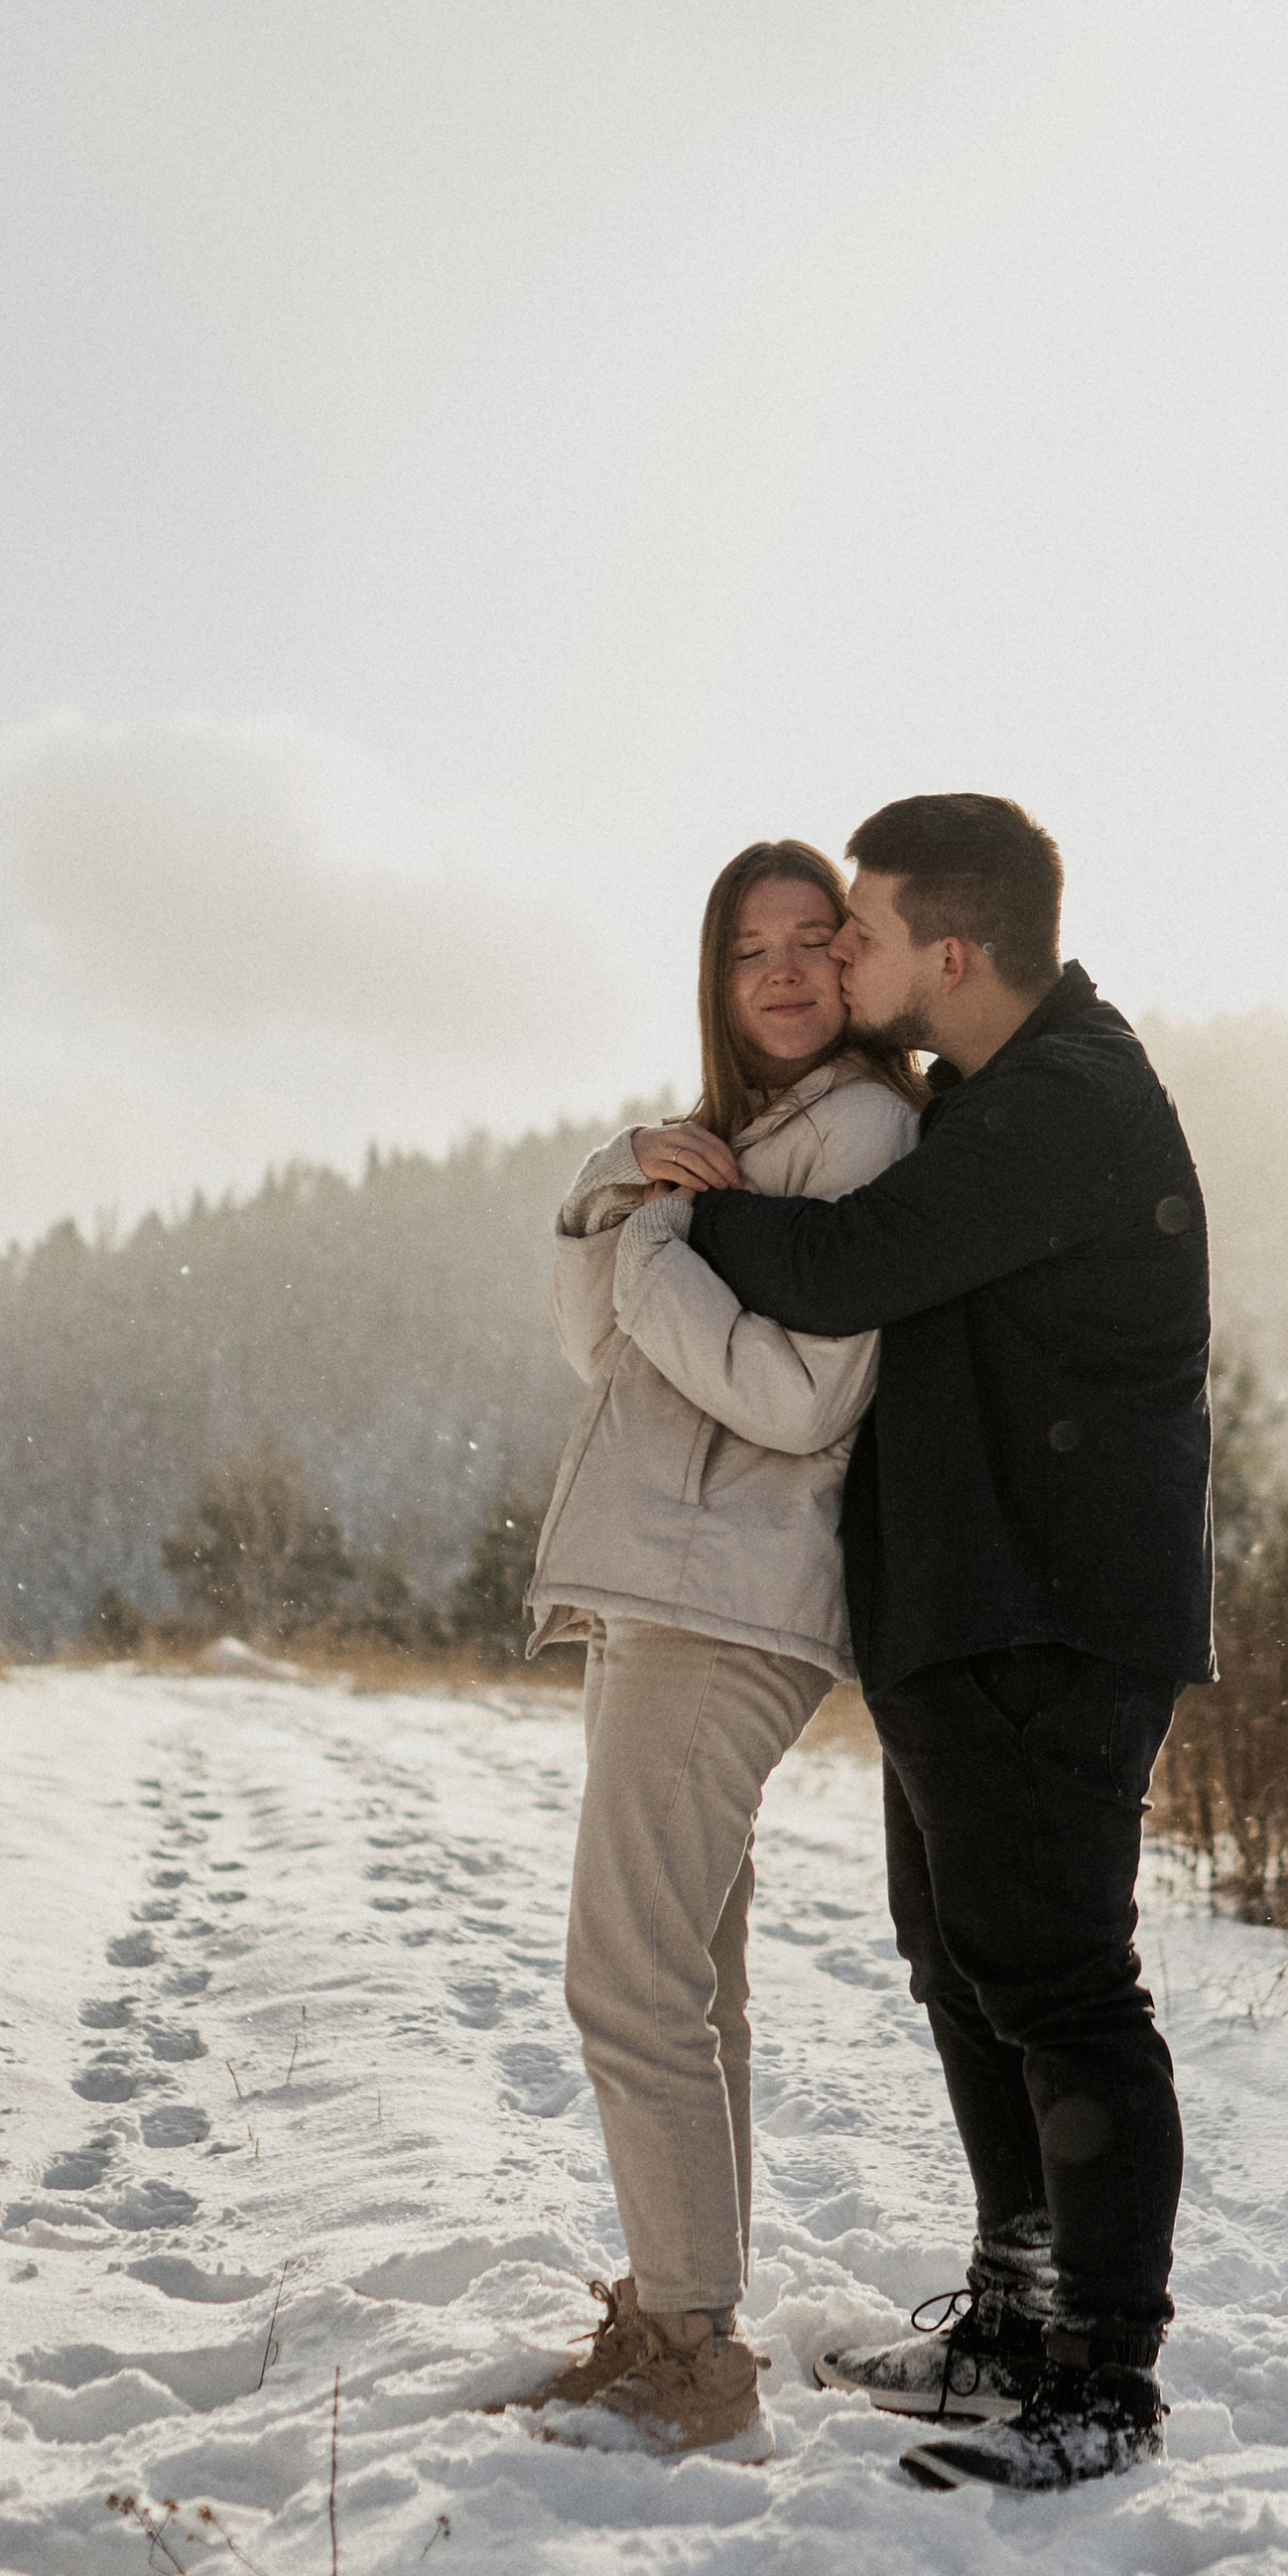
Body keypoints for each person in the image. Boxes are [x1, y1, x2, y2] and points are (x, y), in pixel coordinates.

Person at [653, 792, 1213, 2491]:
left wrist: (686, 1202)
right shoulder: (995, 1096)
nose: (841, 954)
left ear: (947, 953)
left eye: (866, 934)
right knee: (964, 1959)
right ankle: (1019, 2307)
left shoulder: (1069, 1103)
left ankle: (1103, 2377)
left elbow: (845, 1269)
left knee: (1060, 1983)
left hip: (1054, 1616)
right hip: (973, 1610)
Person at [509, 841, 922, 2456]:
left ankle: (687, 2349)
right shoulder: (741, 1142)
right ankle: (688, 2313)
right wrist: (615, 1187)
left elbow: (806, 1394)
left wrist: (663, 1249)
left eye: (815, 940)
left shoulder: (866, 1133)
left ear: (856, 963)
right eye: (749, 948)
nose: (783, 971)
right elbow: (593, 1342)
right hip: (665, 1584)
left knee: (625, 1977)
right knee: (690, 1979)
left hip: (726, 1594)